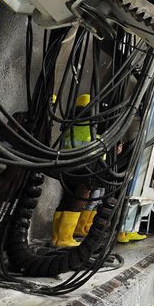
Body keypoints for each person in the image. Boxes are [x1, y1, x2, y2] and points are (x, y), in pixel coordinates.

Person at [52, 94, 93, 247]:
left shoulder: (70, 123)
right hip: (84, 169)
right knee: (77, 203)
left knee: (65, 202)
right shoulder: (91, 125)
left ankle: (56, 237)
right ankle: (65, 238)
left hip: (67, 168)